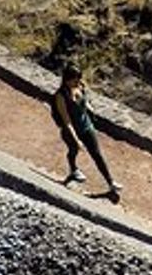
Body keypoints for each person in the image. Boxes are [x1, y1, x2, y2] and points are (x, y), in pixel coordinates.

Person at [52, 64, 124, 202]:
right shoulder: (61, 96)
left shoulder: (81, 86)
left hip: (87, 127)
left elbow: (85, 101)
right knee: (73, 150)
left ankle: (111, 183)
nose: (78, 82)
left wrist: (90, 109)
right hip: (72, 131)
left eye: (79, 79)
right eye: (75, 80)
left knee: (97, 154)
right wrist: (76, 140)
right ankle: (73, 169)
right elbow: (66, 121)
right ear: (67, 80)